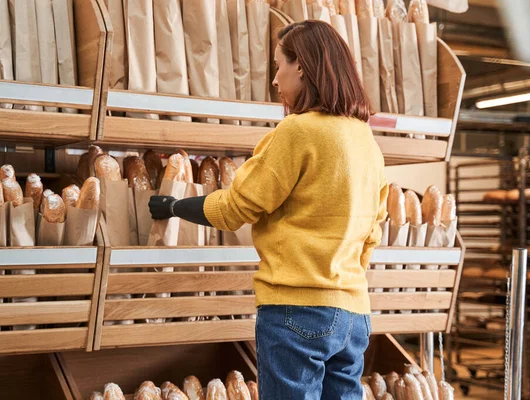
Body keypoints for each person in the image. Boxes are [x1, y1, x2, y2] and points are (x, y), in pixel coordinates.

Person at [149, 20, 388, 400]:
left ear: (302, 67)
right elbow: (372, 232)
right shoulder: (365, 139)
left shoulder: (297, 132)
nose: (275, 80)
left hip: (296, 310)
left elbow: (235, 208)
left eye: (279, 66)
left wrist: (175, 206)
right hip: (353, 314)